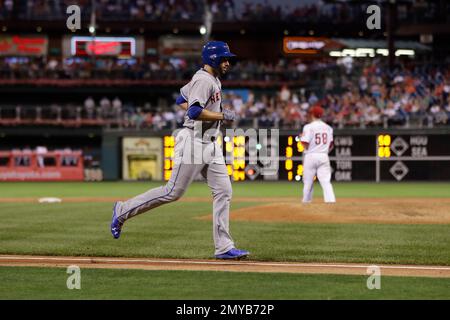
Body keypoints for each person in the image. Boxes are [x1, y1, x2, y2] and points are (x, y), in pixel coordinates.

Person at [110, 41, 249, 260]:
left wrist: (213, 116)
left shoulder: (209, 78)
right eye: (224, 59)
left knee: (224, 191)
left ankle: (223, 247)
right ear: (212, 59)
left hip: (210, 143)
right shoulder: (204, 80)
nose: (227, 63)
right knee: (172, 192)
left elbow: (181, 99)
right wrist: (222, 115)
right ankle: (122, 210)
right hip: (194, 141)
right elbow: (193, 111)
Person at [300, 106, 336, 203]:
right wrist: (323, 151)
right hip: (324, 156)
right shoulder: (328, 128)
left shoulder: (308, 127)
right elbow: (331, 145)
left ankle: (306, 202)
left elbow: (305, 144)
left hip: (311, 155)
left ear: (312, 114)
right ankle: (331, 201)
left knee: (308, 182)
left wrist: (301, 139)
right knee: (326, 181)